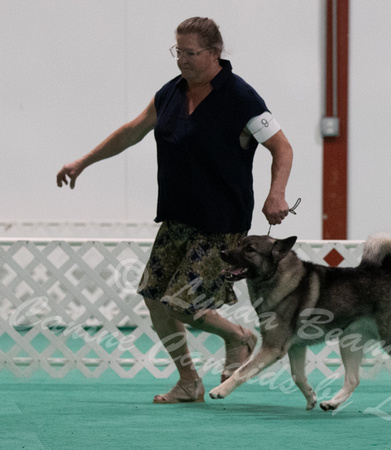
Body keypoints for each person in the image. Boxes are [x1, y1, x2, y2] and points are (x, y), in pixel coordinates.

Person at [56, 17, 293, 404]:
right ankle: (188, 381)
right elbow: (132, 131)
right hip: (177, 216)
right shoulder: (169, 93)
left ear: (214, 53)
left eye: (190, 52)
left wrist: (276, 194)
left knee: (183, 304)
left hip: (221, 222)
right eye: (177, 51)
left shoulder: (241, 97)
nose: (181, 59)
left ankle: (238, 337)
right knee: (154, 297)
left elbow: (283, 148)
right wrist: (83, 162)